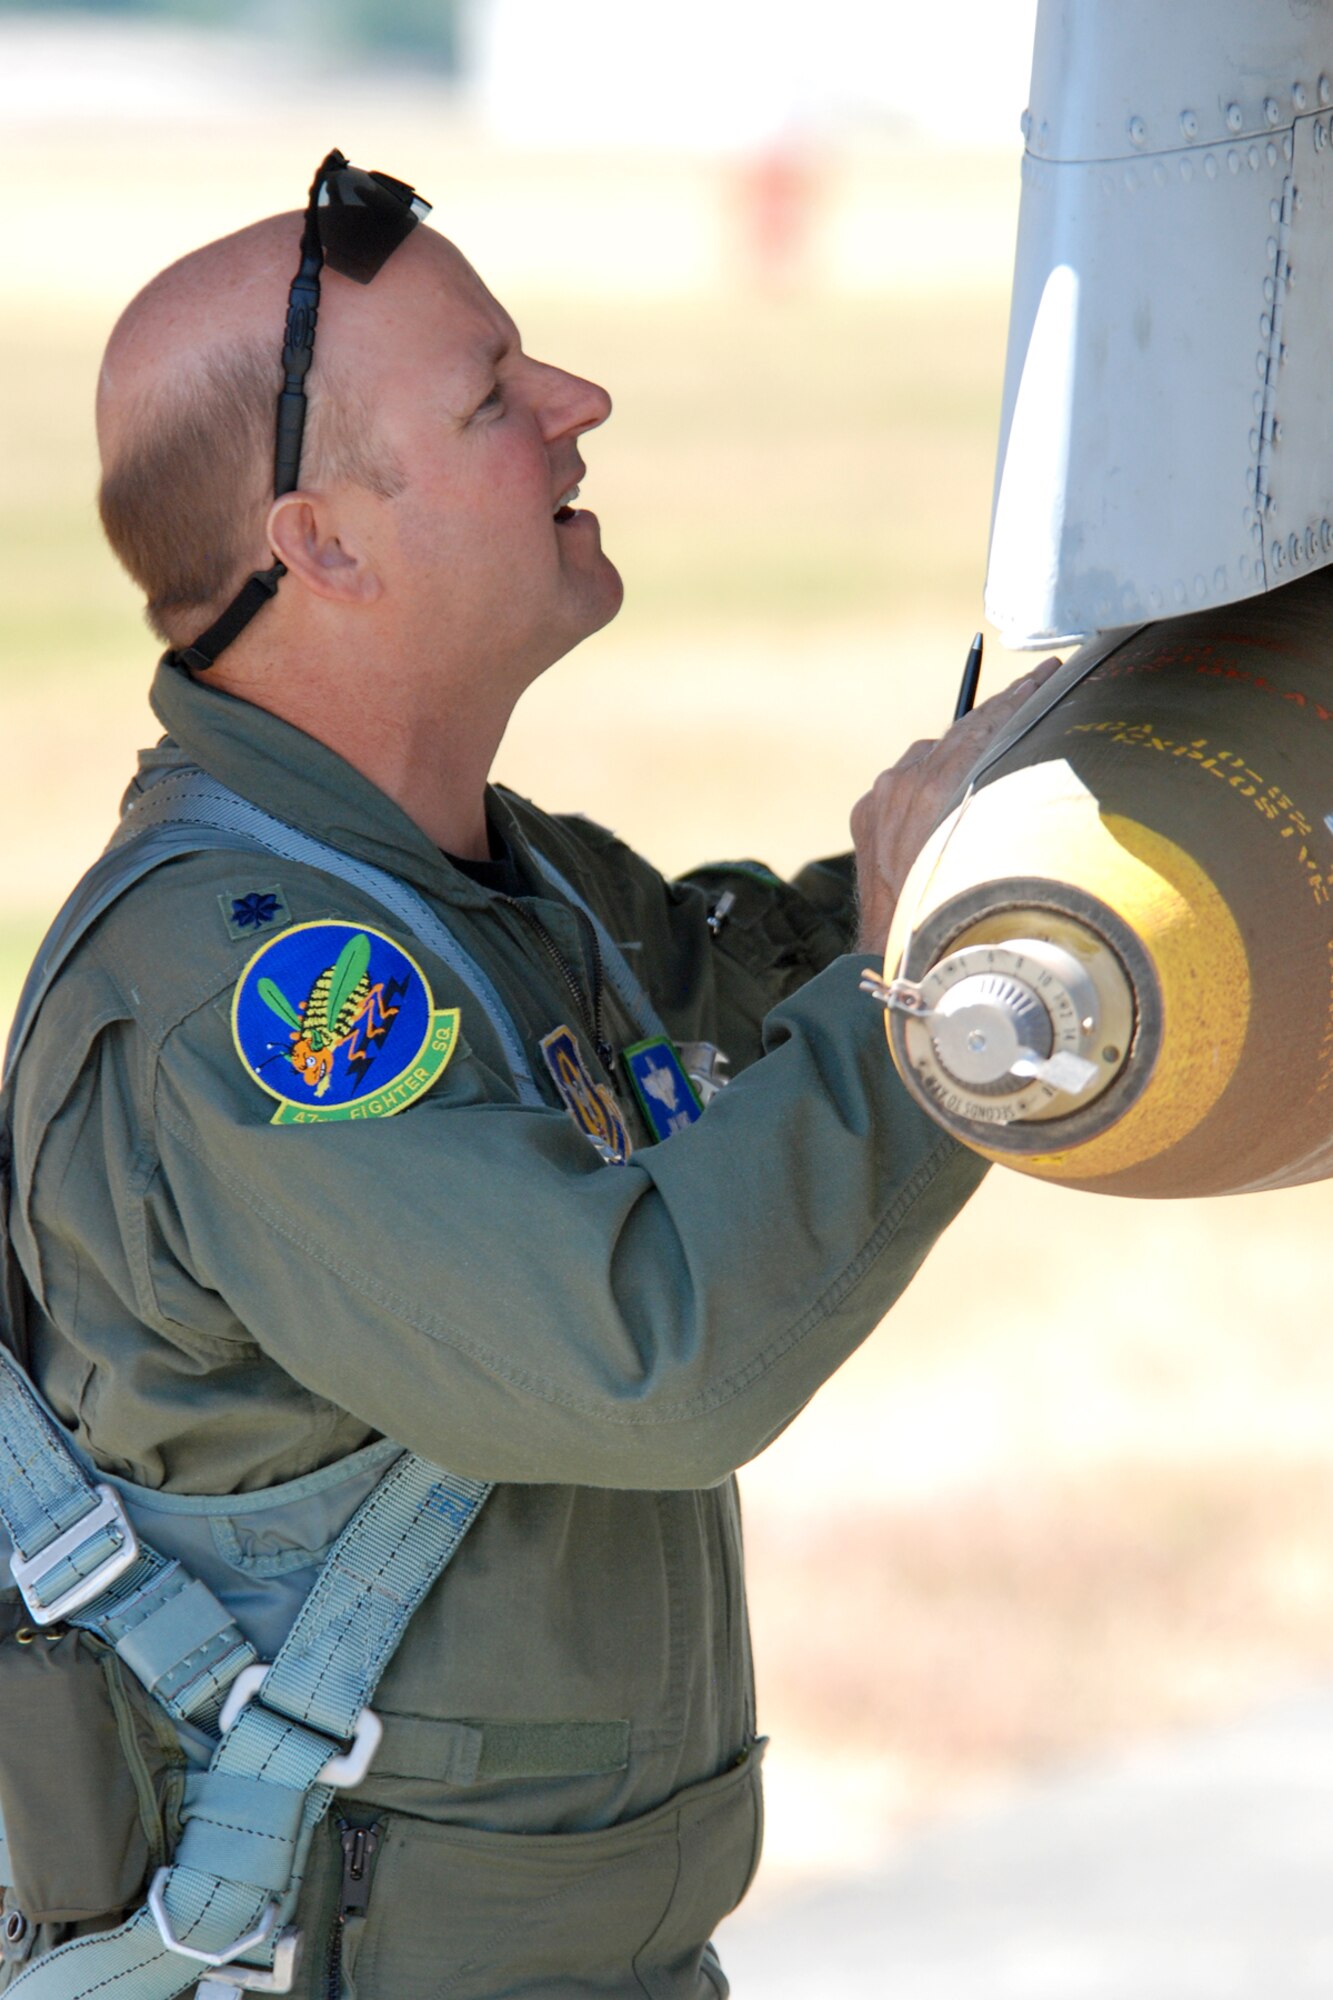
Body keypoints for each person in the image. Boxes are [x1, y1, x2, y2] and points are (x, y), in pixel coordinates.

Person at [0, 154, 1052, 1999]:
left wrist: (1017, 842)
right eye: (494, 394)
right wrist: (953, 987)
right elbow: (641, 1348)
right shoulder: (254, 992)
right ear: (320, 542)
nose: (578, 406)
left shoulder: (502, 886)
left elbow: (765, 993)